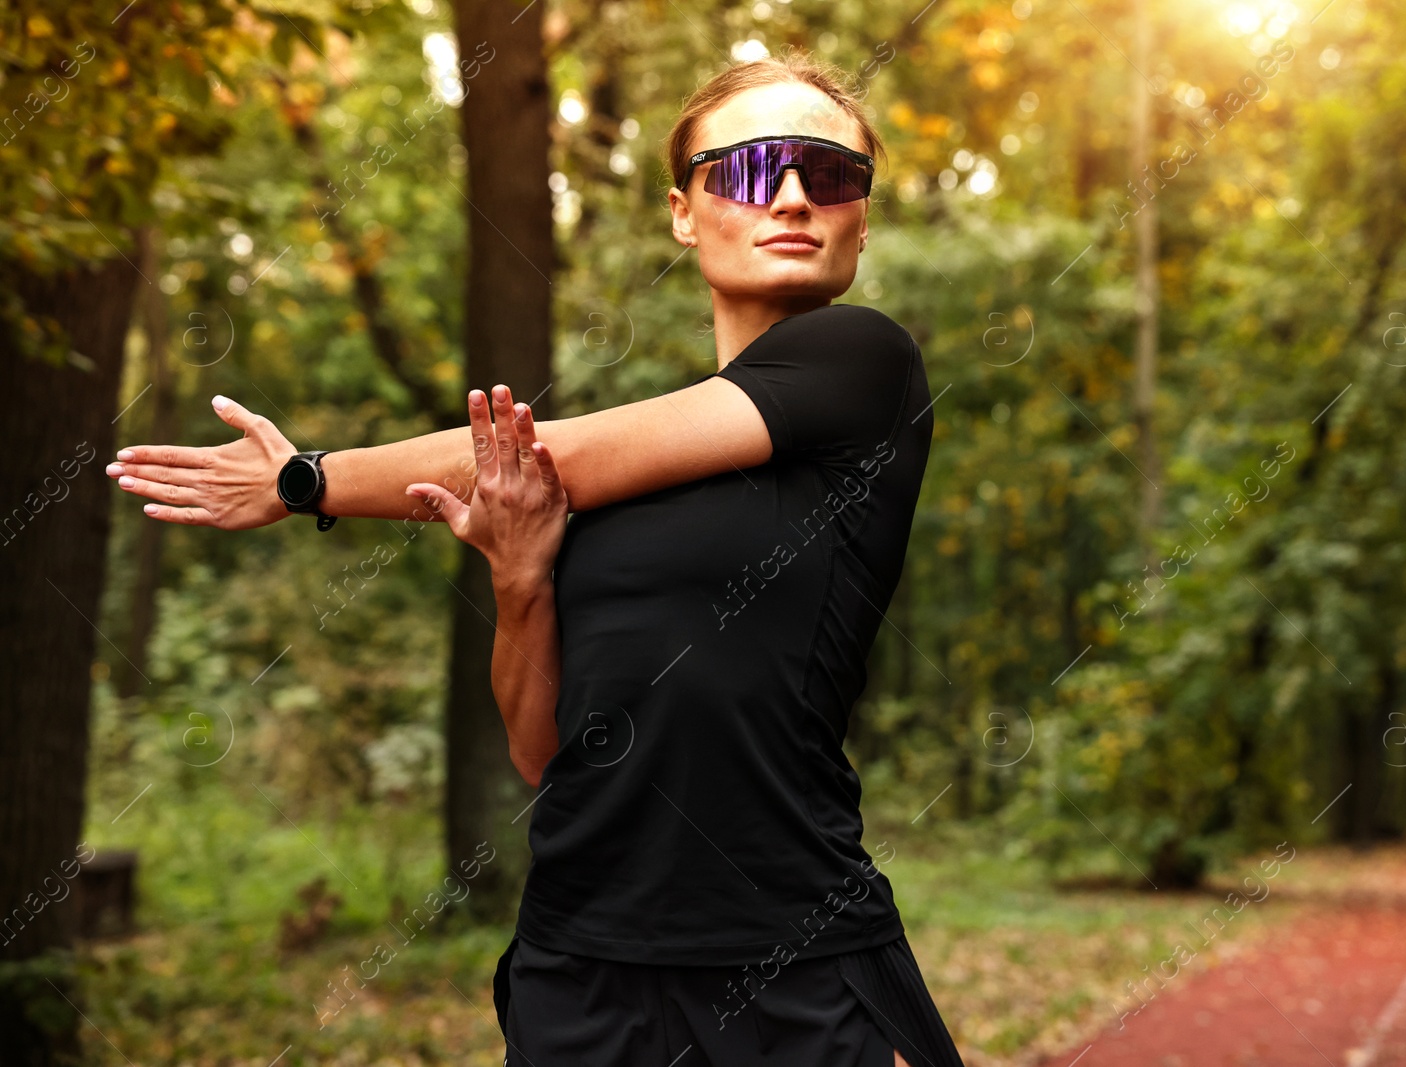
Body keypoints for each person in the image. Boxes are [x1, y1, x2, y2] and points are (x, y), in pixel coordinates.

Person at [105, 47, 962, 1067]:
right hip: (580, 968)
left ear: (860, 217)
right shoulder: (609, 492)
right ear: (683, 211)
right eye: (742, 168)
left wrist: (308, 478)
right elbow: (541, 751)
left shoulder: (863, 363)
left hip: (792, 966)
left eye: (828, 174)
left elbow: (538, 453)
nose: (787, 195)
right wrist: (518, 580)